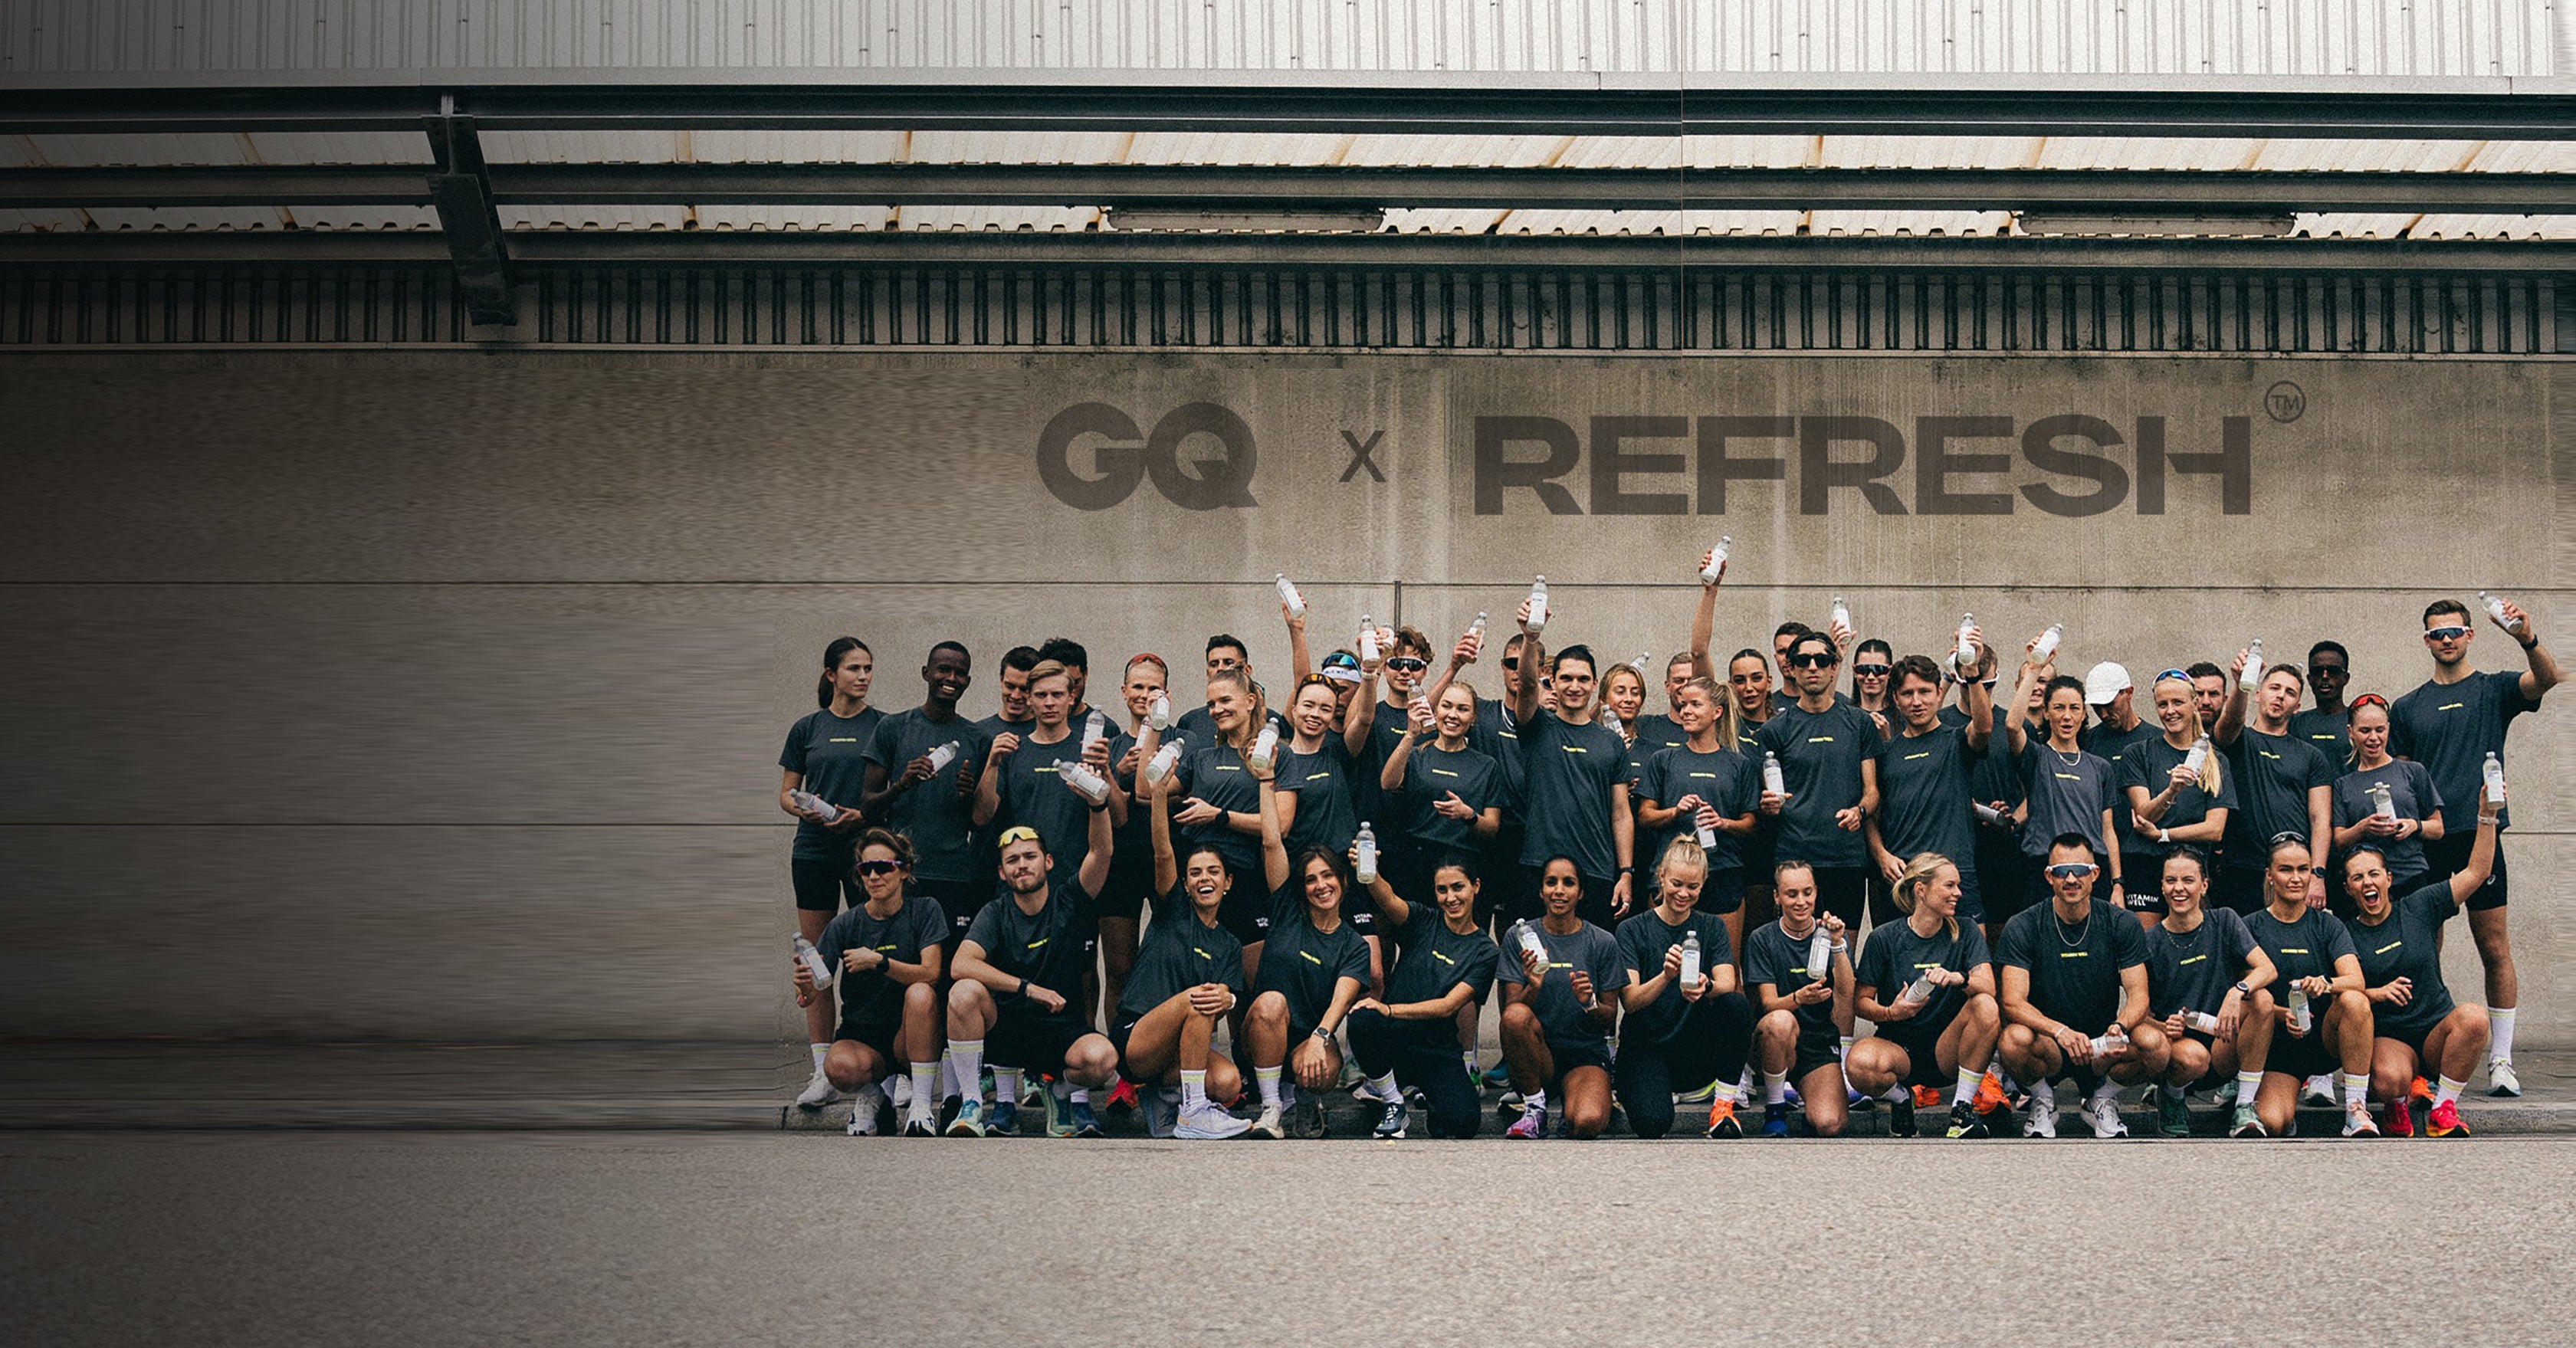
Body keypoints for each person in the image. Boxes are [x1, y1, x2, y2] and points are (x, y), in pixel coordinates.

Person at [2390, 595, 2558, 1097]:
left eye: (2453, 631)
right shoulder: (2407, 707)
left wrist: (2526, 637)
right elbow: (2400, 779)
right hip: (2427, 843)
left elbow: (2547, 678)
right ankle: (2425, 1053)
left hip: (2480, 836)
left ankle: (2501, 1060)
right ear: (2426, 641)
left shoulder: (2494, 689)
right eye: (2436, 633)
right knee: (2423, 950)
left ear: (2469, 634)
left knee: (2494, 946)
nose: (2445, 639)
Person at [944, 802, 1117, 1138]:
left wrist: (1097, 804)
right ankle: (972, 1104)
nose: (1022, 865)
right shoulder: (995, 913)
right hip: (1006, 1030)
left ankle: (1060, 1092)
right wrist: (1027, 988)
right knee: (963, 992)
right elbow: (960, 964)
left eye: (1029, 856)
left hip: (1059, 1029)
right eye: (1012, 860)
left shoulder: (1070, 901)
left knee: (1102, 1059)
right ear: (1002, 872)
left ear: (1048, 862)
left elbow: (1102, 851)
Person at [2343, 790, 2500, 1137]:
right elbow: (2339, 997)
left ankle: (2442, 1108)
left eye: (2373, 874)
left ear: (2389, 878)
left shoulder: (2420, 906)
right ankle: (2397, 1102)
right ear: (2348, 888)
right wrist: (2375, 993)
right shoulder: (2344, 934)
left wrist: (2486, 816)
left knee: (2474, 1017)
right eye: (2357, 878)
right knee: (2389, 1081)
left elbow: (2477, 872)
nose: (2367, 882)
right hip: (2390, 1038)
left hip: (2435, 1032)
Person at [1110, 761, 1251, 1141]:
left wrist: (1228, 999)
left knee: (1228, 1080)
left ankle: (1163, 1098)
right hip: (1137, 1039)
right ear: (1185, 885)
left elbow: (1226, 998)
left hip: (1177, 1052)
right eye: (1195, 873)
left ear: (1228, 882)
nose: (1205, 879)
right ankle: (1193, 1112)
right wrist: (1158, 795)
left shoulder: (1228, 944)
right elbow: (1163, 852)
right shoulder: (1172, 911)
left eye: (1213, 872)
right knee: (1199, 998)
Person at [1995, 834, 2167, 1138]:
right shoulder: (2024, 925)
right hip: (2049, 1043)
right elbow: (2012, 1002)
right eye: (2062, 871)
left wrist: (2120, 1027)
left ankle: (2102, 1098)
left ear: (2095, 874)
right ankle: (2043, 1100)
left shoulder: (2121, 922)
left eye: (2080, 870)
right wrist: (2060, 1031)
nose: (2071, 879)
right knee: (2012, 1040)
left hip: (2102, 1046)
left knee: (2156, 1045)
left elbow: (2139, 994)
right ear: (2049, 876)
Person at [789, 829, 949, 1136]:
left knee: (921, 993)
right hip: (863, 1035)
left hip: (909, 1033)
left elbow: (931, 973)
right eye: (866, 869)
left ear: (904, 871)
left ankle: (920, 1104)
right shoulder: (845, 924)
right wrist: (804, 986)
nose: (874, 876)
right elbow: (814, 988)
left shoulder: (925, 910)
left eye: (883, 867)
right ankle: (873, 1096)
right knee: (836, 1067)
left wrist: (880, 961)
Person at [779, 636, 883, 1107]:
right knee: (817, 960)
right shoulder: (808, 728)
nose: (862, 676)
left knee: (871, 957)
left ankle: (884, 1068)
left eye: (868, 668)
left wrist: (863, 816)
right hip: (814, 852)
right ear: (831, 674)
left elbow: (886, 793)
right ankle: (822, 1070)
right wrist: (801, 809)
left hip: (864, 855)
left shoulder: (882, 725)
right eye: (853, 668)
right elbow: (787, 792)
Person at [1245, 766, 1374, 1139]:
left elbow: (1341, 1002)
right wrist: (1267, 782)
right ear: (1301, 888)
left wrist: (1320, 1038)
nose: (1321, 886)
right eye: (1311, 879)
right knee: (1272, 1003)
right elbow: (1272, 842)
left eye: (1328, 876)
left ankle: (1305, 1099)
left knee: (1324, 1072)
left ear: (1343, 880)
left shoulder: (1353, 944)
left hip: (1309, 1041)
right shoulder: (1287, 911)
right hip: (1263, 1033)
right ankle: (1272, 1108)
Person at [1847, 852, 2004, 1140]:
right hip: (1899, 1049)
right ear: (1921, 890)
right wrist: (1890, 1012)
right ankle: (1900, 1099)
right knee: (1858, 1064)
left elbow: (1988, 986)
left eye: (1958, 886)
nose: (1958, 893)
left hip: (1948, 1049)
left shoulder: (1966, 930)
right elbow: (1860, 1003)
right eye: (1949, 886)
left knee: (1985, 1004)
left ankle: (1961, 1110)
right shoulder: (1884, 937)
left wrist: (1958, 978)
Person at [1347, 855, 1503, 1140]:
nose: (1450, 898)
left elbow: (1448, 1006)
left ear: (1476, 886)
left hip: (1436, 1049)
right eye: (1442, 890)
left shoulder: (1485, 951)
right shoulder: (1422, 920)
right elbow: (1388, 899)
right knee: (1362, 1019)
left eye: (1458, 887)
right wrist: (1369, 871)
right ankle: (1393, 1102)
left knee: (1464, 1123)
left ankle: (1433, 1101)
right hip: (1394, 1042)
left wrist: (1389, 1010)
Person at [1614, 835, 1757, 1139]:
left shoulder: (1712, 926)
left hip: (1693, 1048)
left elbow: (1727, 982)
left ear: (1703, 885)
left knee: (1736, 1005)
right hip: (1647, 1045)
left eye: (1693, 887)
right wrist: (1666, 976)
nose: (1683, 893)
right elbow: (1631, 1001)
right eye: (1677, 884)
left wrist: (1706, 985)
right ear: (1662, 877)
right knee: (1652, 1123)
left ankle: (1723, 1105)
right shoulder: (1631, 929)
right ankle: (1641, 1088)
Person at [1509, 595, 1636, 928]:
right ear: (1552, 682)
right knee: (1533, 957)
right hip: (1540, 867)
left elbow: (1621, 813)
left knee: (1593, 957)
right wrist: (1531, 638)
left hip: (1596, 870)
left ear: (1595, 684)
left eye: (1582, 679)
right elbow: (1526, 686)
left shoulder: (1611, 742)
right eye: (1566, 678)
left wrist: (1625, 872)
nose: (1574, 686)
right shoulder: (1537, 726)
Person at [2240, 835, 2378, 1137]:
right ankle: (2276, 1101)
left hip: (2323, 1041)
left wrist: (2325, 983)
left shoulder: (2328, 925)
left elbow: (2356, 980)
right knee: (2273, 1123)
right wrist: (2280, 1014)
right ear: (2270, 875)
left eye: (2303, 869)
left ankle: (2356, 1110)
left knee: (2355, 1000)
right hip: (2277, 1048)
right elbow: (2245, 995)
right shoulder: (2250, 926)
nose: (2296, 878)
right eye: (2286, 870)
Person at [861, 643, 993, 954]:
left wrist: (967, 796)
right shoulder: (893, 728)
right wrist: (901, 785)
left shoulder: (978, 739)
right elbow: (867, 807)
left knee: (948, 968)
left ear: (969, 681)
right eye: (943, 670)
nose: (951, 679)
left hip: (954, 875)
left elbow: (980, 820)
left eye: (960, 673)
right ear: (926, 673)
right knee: (900, 963)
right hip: (902, 874)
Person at [1134, 668, 1273, 963]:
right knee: (1192, 970)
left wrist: (1217, 815)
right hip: (1199, 877)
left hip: (1245, 878)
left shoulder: (1272, 755)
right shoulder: (1202, 758)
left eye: (1225, 701)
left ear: (1250, 701)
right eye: (1211, 704)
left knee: (1251, 979)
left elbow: (1279, 826)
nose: (1216, 710)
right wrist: (1155, 725)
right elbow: (1146, 790)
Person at [1752, 631, 1882, 935]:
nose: (1813, 667)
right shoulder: (1775, 730)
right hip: (1794, 858)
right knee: (1795, 948)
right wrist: (1769, 806)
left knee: (1842, 948)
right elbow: (1768, 798)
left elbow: (1873, 791)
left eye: (1821, 660)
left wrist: (1860, 812)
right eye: (1803, 660)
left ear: (1834, 667)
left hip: (1846, 858)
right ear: (1791, 668)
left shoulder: (1860, 723)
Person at [2141, 847, 2276, 1138]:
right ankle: (2172, 1096)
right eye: (2171, 880)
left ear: (2203, 886)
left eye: (2188, 880)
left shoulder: (2224, 920)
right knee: (2193, 1058)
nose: (2179, 888)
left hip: (2222, 1043)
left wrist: (2236, 992)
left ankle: (2244, 1105)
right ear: (2162, 887)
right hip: (2181, 1053)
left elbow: (2267, 969)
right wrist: (2163, 1027)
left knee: (2263, 999)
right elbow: (2138, 1014)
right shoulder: (2150, 941)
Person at [1496, 858, 1629, 1140]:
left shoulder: (1602, 941)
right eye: (1551, 882)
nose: (1559, 890)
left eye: (1568, 883)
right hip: (1538, 1053)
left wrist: (1589, 1002)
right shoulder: (1519, 937)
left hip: (1583, 1054)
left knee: (1587, 1123)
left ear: (1580, 893)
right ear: (1541, 891)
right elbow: (1510, 1016)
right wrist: (1533, 986)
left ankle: (1575, 1102)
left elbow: (1609, 1017)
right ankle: (1535, 1109)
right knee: (1516, 1016)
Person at [1867, 648, 1995, 934]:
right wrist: (1881, 855)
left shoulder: (1956, 742)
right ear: (1895, 699)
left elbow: (1984, 727)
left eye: (1924, 692)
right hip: (1904, 878)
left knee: (1971, 959)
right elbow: (1871, 815)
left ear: (1939, 693)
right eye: (1907, 694)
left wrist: (1971, 673)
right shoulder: (1886, 752)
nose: (1916, 702)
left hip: (1956, 875)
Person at [1636, 677, 1760, 964]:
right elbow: (1644, 816)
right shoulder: (1663, 759)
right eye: (1683, 705)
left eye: (1695, 705)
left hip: (1722, 871)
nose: (1686, 711)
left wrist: (1722, 823)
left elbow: (1751, 824)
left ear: (1716, 712)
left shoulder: (1738, 764)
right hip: (1672, 874)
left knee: (1726, 967)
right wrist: (1675, 812)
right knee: (1663, 965)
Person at [972, 659, 1127, 878]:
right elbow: (981, 817)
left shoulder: (1089, 751)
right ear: (1029, 699)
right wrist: (992, 763)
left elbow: (1120, 819)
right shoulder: (1012, 752)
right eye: (1041, 695)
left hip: (1078, 879)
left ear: (1071, 697)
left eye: (1057, 695)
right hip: (1024, 879)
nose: (1049, 703)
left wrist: (1106, 772)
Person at [1094, 653, 1173, 1071]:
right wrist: (1114, 772)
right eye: (1137, 687)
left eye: (1153, 688)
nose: (1145, 695)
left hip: (1166, 862)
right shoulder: (1110, 746)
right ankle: (1121, 1066)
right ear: (1124, 692)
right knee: (1119, 968)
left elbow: (1164, 792)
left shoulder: (1181, 740)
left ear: (1167, 694)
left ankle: (1166, 1062)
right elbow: (1110, 810)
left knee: (1172, 965)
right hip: (1119, 866)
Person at [2002, 658, 2127, 915]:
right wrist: (2034, 669)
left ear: (2083, 714)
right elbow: (2012, 725)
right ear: (2046, 713)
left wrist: (2117, 883)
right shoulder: (2036, 757)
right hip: (2044, 870)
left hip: (2091, 872)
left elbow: (2108, 830)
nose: (2067, 716)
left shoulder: (2100, 767)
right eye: (2059, 708)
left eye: (2074, 708)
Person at [2213, 654, 2334, 916]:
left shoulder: (2312, 756)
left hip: (2292, 873)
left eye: (2290, 692)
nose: (2280, 696)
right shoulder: (2238, 740)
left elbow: (2321, 819)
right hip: (2241, 868)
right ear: (2258, 694)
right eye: (2274, 688)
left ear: (2297, 706)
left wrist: (2317, 874)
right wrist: (2241, 684)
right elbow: (2230, 723)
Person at [1742, 861, 1853, 1137]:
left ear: (1816, 892)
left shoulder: (1830, 935)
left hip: (1817, 1042)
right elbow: (1769, 1004)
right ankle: (1775, 1108)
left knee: (1830, 1124)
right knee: (1780, 1021)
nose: (1801, 901)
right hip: (1772, 1040)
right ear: (1777, 897)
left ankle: (1809, 1099)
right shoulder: (1762, 938)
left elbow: (1846, 992)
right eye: (1791, 894)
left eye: (1807, 892)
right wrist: (1799, 998)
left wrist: (1838, 944)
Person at [1379, 678, 1503, 924]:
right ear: (1436, 711)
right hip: (1416, 862)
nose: (1453, 715)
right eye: (1447, 706)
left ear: (1473, 718)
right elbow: (1388, 782)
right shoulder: (1418, 755)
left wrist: (1468, 815)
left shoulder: (1487, 766)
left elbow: (1492, 828)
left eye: (1462, 709)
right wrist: (1411, 734)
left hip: (1462, 865)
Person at [2119, 670, 2236, 924]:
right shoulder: (2138, 753)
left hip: (2191, 865)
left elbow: (2215, 829)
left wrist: (2163, 834)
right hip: (2145, 863)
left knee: (2191, 939)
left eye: (2178, 703)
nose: (2170, 711)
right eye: (2163, 705)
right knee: (2147, 941)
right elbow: (2144, 816)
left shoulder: (2214, 760)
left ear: (2194, 703)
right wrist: (2171, 790)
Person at [2328, 693, 2443, 906]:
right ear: (2351, 732)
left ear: (2388, 729)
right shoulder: (2343, 784)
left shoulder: (2413, 771)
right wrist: (2363, 827)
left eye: (2380, 730)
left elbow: (2438, 828)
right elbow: (2339, 840)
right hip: (2368, 886)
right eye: (2365, 731)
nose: (2374, 738)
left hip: (2411, 876)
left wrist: (2414, 826)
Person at [2288, 641, 2354, 766]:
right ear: (2309, 679)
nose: (2325, 676)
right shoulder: (2293, 723)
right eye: (2317, 671)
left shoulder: (2358, 722)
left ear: (2346, 678)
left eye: (2333, 671)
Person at [1849, 638, 1895, 721]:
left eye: (1879, 669)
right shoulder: (1844, 716)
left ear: (1889, 672)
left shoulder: (1905, 717)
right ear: (1854, 670)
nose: (1871, 677)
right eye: (1863, 669)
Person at [2187, 662, 2230, 734]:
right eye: (2199, 694)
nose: (2206, 702)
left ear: (2224, 700)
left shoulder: (2244, 738)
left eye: (2213, 694)